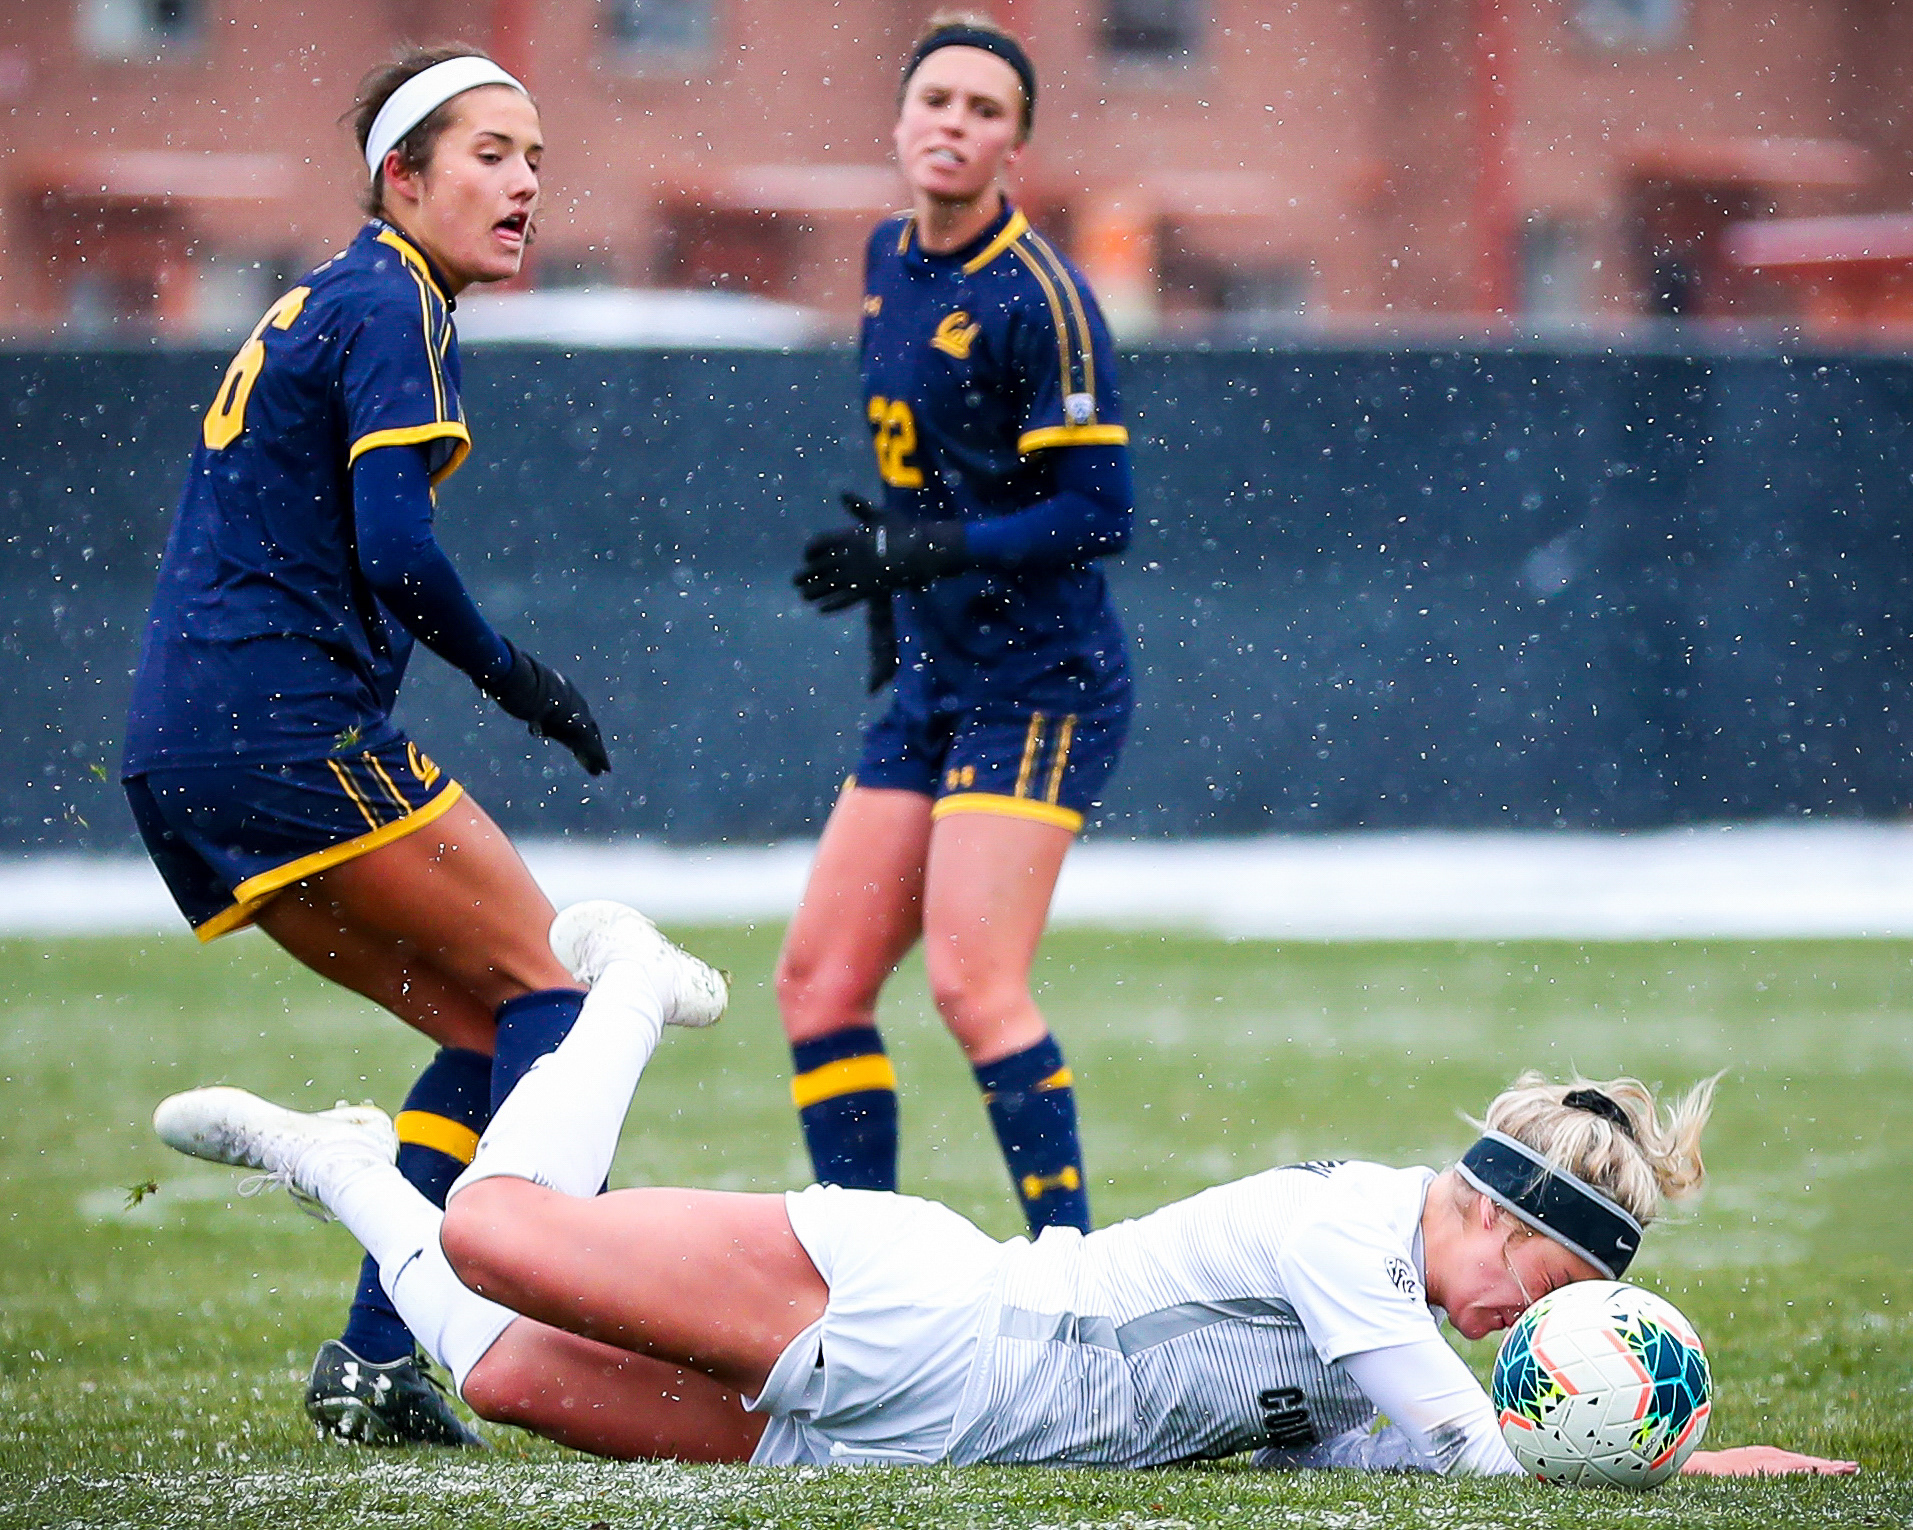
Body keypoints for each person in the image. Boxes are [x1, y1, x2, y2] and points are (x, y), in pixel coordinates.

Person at [153, 900, 1856, 1478]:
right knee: (500, 1238)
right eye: (1545, 1300)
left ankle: (342, 1164)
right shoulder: (1350, 1236)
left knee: (504, 1370)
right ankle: (623, 991)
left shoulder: (1388, 1325)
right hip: (908, 1312)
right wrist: (1678, 1467)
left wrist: (1648, 1449)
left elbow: (1373, 1446)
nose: (1521, 1335)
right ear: (1492, 1215)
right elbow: (1459, 1448)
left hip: (904, 1432)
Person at [119, 46, 613, 1448]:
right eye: (491, 153)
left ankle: (375, 1358)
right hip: (283, 730)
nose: (524, 182)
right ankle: (457, 1324)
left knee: (484, 1026)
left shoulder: (337, 295)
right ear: (401, 177)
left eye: (537, 160)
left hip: (182, 753)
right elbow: (397, 548)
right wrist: (521, 680)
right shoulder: (393, 294)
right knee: (556, 1006)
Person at [782, 13, 1134, 1239]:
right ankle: (870, 1285)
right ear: (897, 122)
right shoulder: (888, 256)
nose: (954, 123)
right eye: (936, 99)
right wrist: (900, 578)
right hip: (934, 675)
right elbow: (927, 470)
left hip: (1040, 680)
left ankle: (1074, 1280)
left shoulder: (1043, 299)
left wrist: (930, 548)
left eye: (985, 111)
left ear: (1014, 153)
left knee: (973, 987)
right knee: (818, 985)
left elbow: (1099, 512)